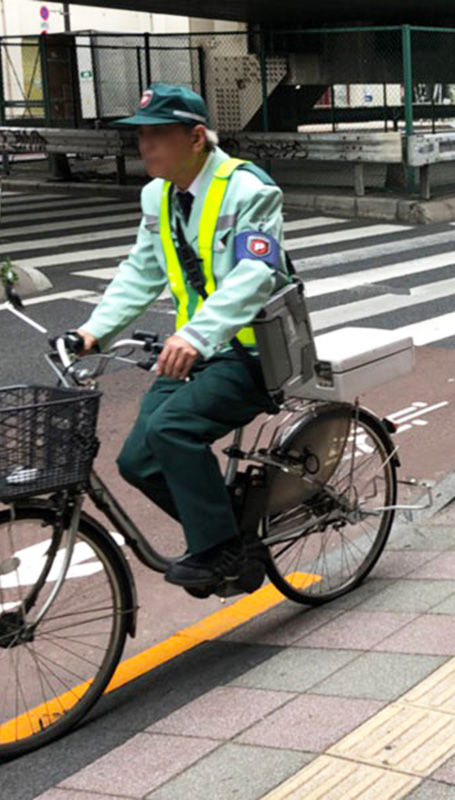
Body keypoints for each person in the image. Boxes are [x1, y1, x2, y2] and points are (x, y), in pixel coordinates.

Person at [74, 83, 287, 589]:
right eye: (140, 137)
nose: (145, 147)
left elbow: (255, 275)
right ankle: (231, 540)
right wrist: (92, 332)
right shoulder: (159, 194)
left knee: (172, 430)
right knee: (136, 460)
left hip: (250, 353)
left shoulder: (250, 190)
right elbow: (142, 272)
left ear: (195, 138)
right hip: (193, 353)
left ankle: (218, 551)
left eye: (157, 136)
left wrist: (195, 336)